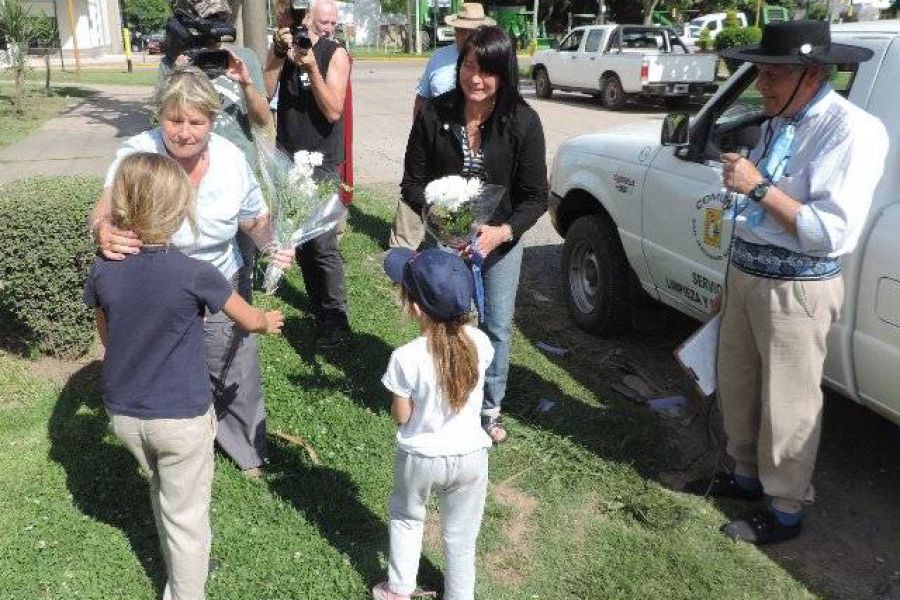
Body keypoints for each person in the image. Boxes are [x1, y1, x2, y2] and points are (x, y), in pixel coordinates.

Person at [686, 21, 889, 544]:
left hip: (797, 291)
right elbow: (761, 209)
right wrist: (728, 280)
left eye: (775, 74)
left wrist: (757, 189)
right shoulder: (782, 117)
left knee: (789, 403)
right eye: (761, 73)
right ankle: (745, 475)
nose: (763, 86)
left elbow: (829, 232)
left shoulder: (853, 131)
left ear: (813, 73)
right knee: (738, 383)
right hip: (747, 275)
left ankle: (784, 507)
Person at [84, 152, 284, 600]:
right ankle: (186, 587)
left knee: (162, 489)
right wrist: (268, 320)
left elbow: (107, 335)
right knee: (188, 515)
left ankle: (180, 568)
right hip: (182, 418)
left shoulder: (103, 270)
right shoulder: (197, 273)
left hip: (125, 414)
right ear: (180, 211)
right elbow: (247, 320)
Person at [89, 67, 294, 477]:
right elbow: (104, 208)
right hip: (155, 285)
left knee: (234, 362)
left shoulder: (232, 159)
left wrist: (275, 244)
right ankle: (163, 441)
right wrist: (102, 231)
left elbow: (255, 219)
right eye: (174, 120)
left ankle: (246, 450)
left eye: (196, 122)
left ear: (213, 121)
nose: (184, 132)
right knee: (160, 362)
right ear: (159, 116)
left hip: (218, 276)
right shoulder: (137, 153)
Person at [400, 26, 548, 444]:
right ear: (458, 65)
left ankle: (488, 408)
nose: (475, 79)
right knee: (445, 321)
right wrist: (440, 219)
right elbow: (411, 183)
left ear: (504, 73)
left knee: (496, 327)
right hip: (443, 244)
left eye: (487, 71)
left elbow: (536, 197)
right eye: (468, 66)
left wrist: (502, 232)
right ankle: (444, 398)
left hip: (498, 246)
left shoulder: (522, 121)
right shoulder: (434, 114)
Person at [374, 248, 494, 600]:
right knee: (461, 536)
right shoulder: (481, 344)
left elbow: (403, 416)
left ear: (415, 308)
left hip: (421, 455)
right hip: (472, 453)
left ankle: (398, 590)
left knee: (407, 518)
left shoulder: (405, 358)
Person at [159, 0, 272, 301]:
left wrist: (246, 84)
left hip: (237, 182)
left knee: (241, 267)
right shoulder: (174, 63)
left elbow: (263, 119)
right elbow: (158, 120)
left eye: (218, 20)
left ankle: (239, 322)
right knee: (189, 265)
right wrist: (178, 75)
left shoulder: (243, 57)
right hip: (188, 182)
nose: (211, 35)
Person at [265, 0, 352, 348]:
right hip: (288, 156)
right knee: (299, 240)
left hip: (322, 161)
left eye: (332, 22)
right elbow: (266, 90)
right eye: (321, 22)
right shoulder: (287, 49)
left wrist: (313, 66)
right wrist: (276, 51)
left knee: (323, 243)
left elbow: (333, 110)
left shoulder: (336, 54)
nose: (327, 28)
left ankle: (336, 320)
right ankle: (319, 309)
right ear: (306, 20)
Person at [388, 3, 496, 251]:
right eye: (460, 30)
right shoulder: (439, 58)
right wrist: (419, 135)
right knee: (424, 198)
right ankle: (404, 249)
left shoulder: (492, 60)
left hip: (472, 147)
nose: (464, 36)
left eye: (471, 31)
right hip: (437, 143)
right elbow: (422, 98)